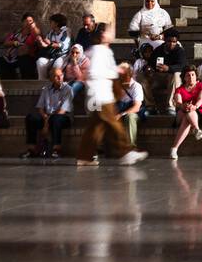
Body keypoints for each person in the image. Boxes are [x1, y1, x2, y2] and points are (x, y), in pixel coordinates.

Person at [76, 24, 148, 166]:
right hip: (100, 95)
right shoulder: (99, 51)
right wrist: (114, 72)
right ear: (102, 35)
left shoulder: (102, 51)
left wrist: (116, 70)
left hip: (98, 95)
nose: (112, 33)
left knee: (96, 127)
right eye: (110, 31)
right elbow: (94, 73)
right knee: (114, 123)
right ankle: (126, 152)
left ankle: (85, 156)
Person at [25, 65, 75, 158]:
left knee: (56, 119)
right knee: (31, 118)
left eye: (61, 75)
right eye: (56, 76)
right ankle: (31, 149)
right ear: (51, 78)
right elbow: (40, 107)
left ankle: (56, 149)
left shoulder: (68, 89)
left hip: (63, 117)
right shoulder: (46, 89)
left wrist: (46, 124)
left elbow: (62, 111)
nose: (60, 78)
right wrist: (45, 118)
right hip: (47, 117)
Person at [168, 65, 202, 156]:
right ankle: (196, 129)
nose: (191, 77)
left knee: (187, 118)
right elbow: (177, 102)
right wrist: (183, 106)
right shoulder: (179, 89)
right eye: (188, 75)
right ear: (184, 78)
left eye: (193, 75)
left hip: (199, 114)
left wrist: (195, 106)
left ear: (196, 76)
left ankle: (174, 149)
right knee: (187, 112)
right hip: (182, 113)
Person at [35, 13, 72, 80]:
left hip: (63, 55)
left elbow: (62, 46)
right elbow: (46, 45)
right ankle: (42, 82)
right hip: (52, 55)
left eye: (51, 22)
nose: (50, 24)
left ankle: (56, 84)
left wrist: (50, 43)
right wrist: (40, 41)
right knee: (40, 61)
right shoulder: (51, 32)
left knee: (56, 65)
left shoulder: (66, 31)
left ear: (56, 23)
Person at [117, 62, 146, 145]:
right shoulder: (117, 85)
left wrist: (121, 115)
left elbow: (136, 107)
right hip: (120, 109)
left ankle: (130, 146)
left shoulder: (136, 86)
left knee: (130, 117)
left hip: (134, 112)